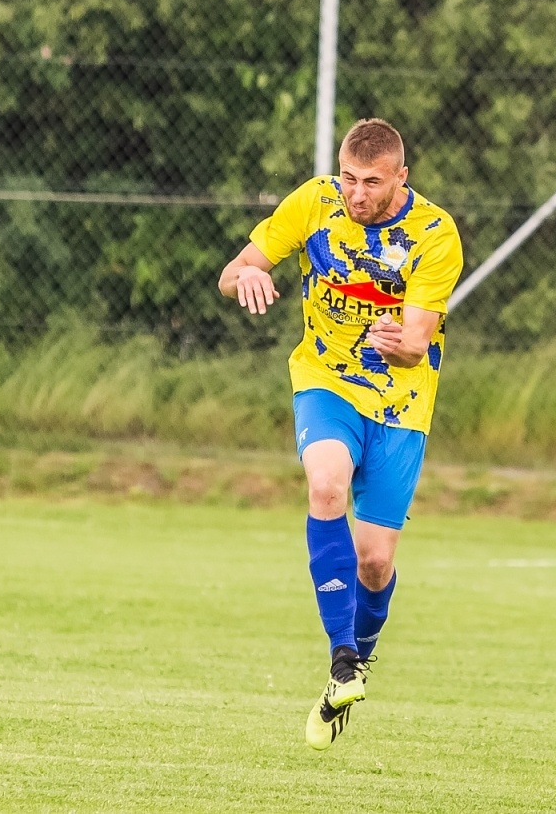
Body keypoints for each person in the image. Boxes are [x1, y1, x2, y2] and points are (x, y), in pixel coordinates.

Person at [218, 118, 464, 750]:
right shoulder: (316, 201)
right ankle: (342, 658)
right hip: (325, 380)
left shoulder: (434, 234)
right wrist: (245, 274)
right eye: (349, 178)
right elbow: (236, 268)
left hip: (403, 403)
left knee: (375, 562)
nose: (355, 194)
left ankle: (355, 662)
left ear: (401, 177)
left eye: (371, 182)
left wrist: (402, 346)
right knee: (325, 487)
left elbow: (415, 343)